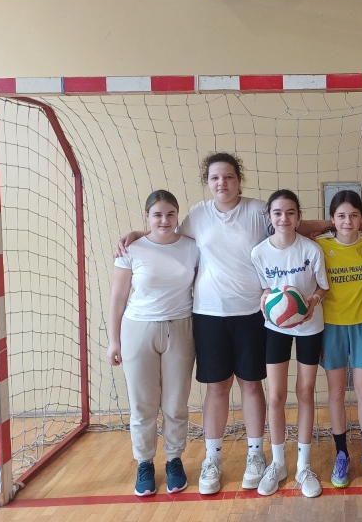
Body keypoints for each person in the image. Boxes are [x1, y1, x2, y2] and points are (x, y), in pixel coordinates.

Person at [117, 153, 270, 495]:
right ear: (207, 181)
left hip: (251, 313)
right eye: (215, 178)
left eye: (228, 177)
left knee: (251, 385)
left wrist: (332, 224)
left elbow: (290, 223)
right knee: (217, 388)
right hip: (208, 314)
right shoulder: (198, 214)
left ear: (239, 179)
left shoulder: (259, 211)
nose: (222, 183)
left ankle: (256, 455)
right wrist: (135, 233)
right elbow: (164, 233)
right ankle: (212, 460)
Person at [107, 190, 199, 496]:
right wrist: (113, 341)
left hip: (181, 329)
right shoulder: (131, 249)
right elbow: (118, 298)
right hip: (138, 330)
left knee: (175, 403)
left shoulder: (191, 247)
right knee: (142, 404)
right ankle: (144, 463)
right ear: (147, 216)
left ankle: (174, 460)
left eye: (170, 214)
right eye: (157, 215)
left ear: (177, 216)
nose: (164, 220)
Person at [250, 189, 329, 498]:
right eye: (278, 212)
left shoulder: (311, 249)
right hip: (276, 328)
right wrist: (264, 298)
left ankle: (303, 467)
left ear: (298, 217)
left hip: (309, 326)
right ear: (269, 217)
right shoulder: (259, 253)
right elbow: (265, 289)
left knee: (305, 392)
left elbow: (323, 287)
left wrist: (313, 301)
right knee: (276, 396)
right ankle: (279, 464)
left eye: (290, 212)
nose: (284, 218)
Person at [315, 190, 362, 488]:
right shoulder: (320, 245)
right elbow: (293, 228)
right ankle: (341, 453)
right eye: (341, 216)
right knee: (336, 393)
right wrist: (324, 226)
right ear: (332, 219)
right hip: (331, 328)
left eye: (354, 215)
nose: (348, 221)